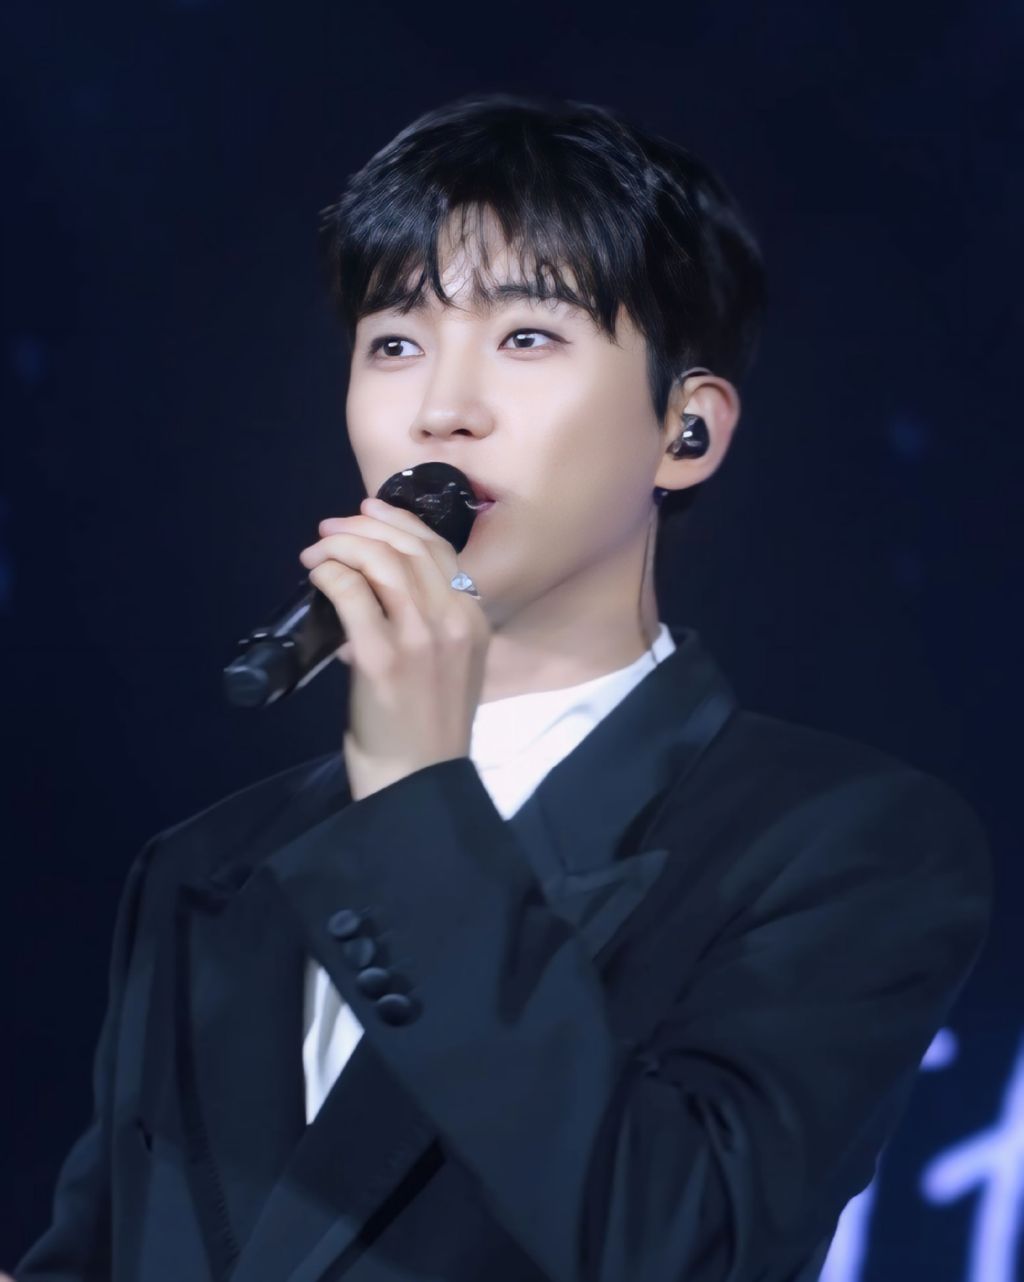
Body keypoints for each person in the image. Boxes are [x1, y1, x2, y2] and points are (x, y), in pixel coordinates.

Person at [10, 91, 993, 1282]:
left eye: (527, 337)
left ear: (685, 429)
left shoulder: (841, 843)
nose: (442, 408)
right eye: (395, 343)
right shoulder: (206, 866)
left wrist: (414, 797)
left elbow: (677, 1246)